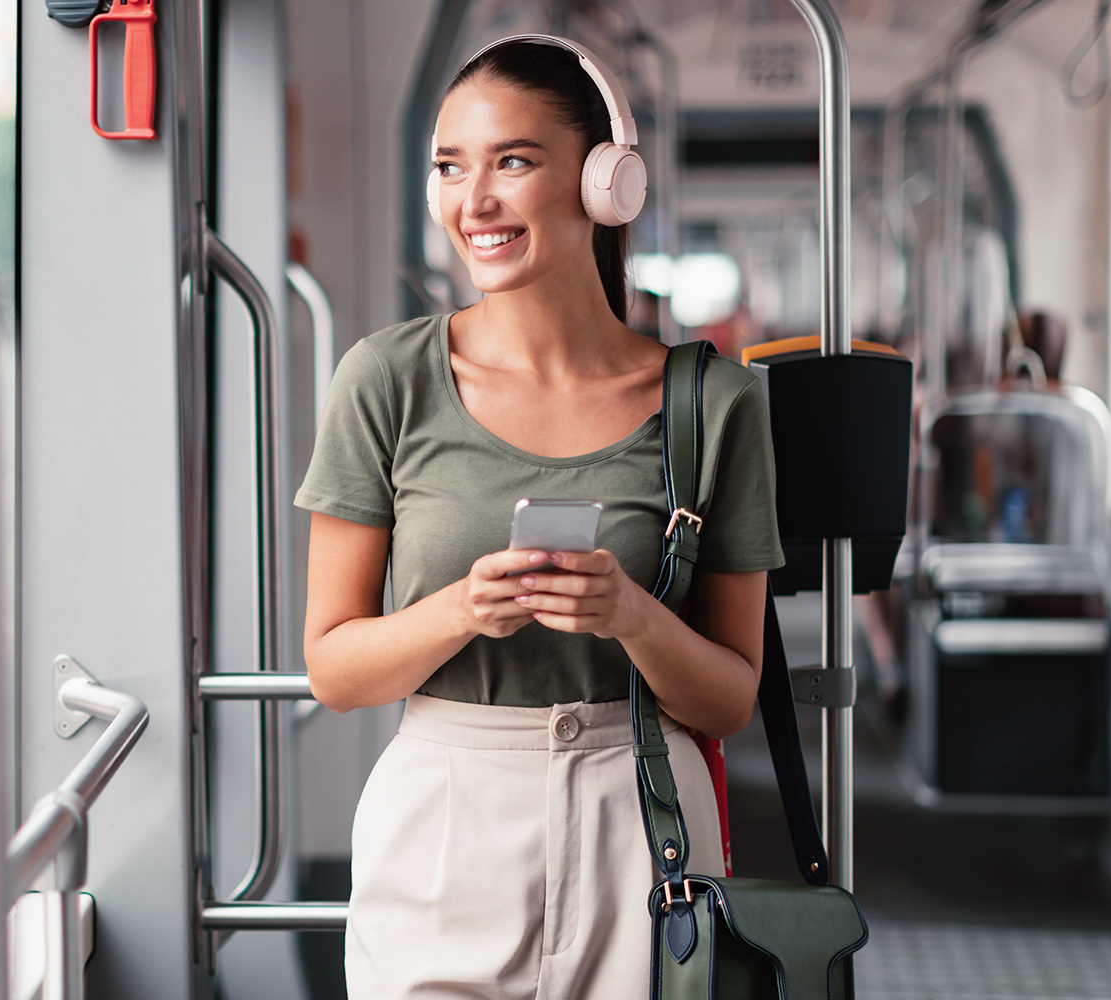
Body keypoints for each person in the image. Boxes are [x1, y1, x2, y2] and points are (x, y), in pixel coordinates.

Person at [295, 36, 784, 998]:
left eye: (511, 161)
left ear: (606, 183)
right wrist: (463, 610)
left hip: (643, 829)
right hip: (443, 821)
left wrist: (630, 616)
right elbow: (334, 667)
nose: (472, 202)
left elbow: (729, 700)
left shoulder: (715, 403)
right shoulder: (385, 380)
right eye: (448, 167)